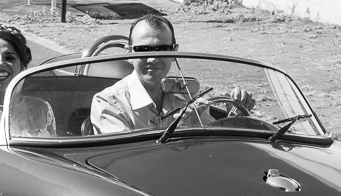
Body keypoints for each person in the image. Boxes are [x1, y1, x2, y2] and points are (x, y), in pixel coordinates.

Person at [90, 15, 256, 134]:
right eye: (143, 50)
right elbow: (127, 162)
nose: (153, 59)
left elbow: (215, 148)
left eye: (162, 50)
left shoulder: (186, 93)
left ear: (174, 52)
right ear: (128, 53)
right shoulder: (108, 103)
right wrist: (182, 132)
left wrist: (234, 118)